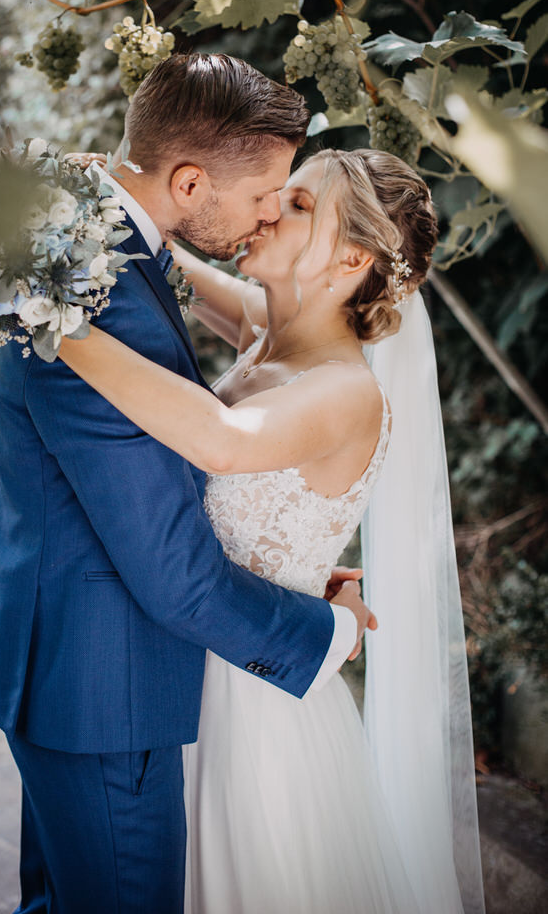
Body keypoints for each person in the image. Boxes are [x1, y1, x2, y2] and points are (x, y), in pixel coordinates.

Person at [0, 54, 377, 914]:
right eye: (269, 192)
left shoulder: (84, 248)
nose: (269, 211)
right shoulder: (80, 297)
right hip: (103, 683)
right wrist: (324, 635)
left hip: (65, 652)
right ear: (189, 183)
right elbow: (175, 563)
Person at [59, 146, 486, 913]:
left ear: (349, 257)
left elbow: (220, 440)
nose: (265, 211)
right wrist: (105, 194)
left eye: (294, 206)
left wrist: (48, 320)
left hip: (254, 706)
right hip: (192, 658)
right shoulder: (266, 330)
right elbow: (169, 275)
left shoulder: (345, 391)